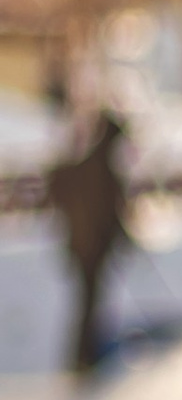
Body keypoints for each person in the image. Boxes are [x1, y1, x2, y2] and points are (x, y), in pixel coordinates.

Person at [45, 106, 131, 376]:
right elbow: (112, 212)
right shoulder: (102, 169)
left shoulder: (89, 164)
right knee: (89, 303)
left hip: (83, 247)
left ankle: (83, 356)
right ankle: (84, 357)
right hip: (91, 248)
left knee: (88, 302)